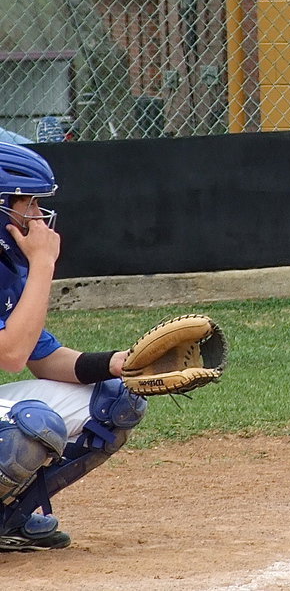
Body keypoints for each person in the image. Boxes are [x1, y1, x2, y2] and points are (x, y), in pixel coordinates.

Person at [0, 141, 148, 551]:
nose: (37, 216)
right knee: (30, 426)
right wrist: (43, 264)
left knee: (114, 400)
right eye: (27, 203)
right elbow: (11, 354)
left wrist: (119, 364)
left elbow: (43, 357)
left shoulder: (5, 269)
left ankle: (6, 520)